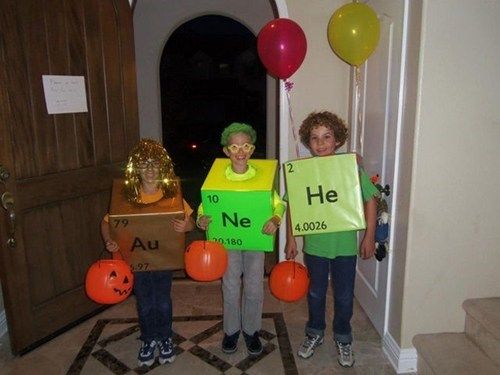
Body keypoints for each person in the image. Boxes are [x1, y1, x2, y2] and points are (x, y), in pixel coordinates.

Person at [284, 111, 378, 368]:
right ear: (308, 142)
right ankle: (314, 332)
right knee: (315, 292)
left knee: (345, 295)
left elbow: (370, 198)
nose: (321, 142)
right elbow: (294, 205)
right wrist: (291, 239)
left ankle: (343, 337)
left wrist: (369, 235)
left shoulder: (349, 167)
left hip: (345, 245)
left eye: (327, 136)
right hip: (315, 245)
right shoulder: (303, 171)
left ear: (337, 140)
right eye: (314, 138)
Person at [101, 138, 195, 367]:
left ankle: (164, 338)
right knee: (144, 302)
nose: (150, 170)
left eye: (154, 164)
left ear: (162, 167)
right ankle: (148, 339)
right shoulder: (126, 197)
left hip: (162, 261)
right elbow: (107, 222)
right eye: (144, 164)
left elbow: (189, 221)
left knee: (162, 301)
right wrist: (109, 240)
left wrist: (187, 226)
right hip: (137, 261)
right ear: (136, 169)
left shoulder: (172, 194)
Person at [197, 122, 286, 356]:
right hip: (228, 242)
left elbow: (278, 203)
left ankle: (251, 330)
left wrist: (275, 219)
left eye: (245, 146)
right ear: (226, 151)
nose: (240, 151)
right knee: (231, 285)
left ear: (252, 149)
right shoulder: (218, 178)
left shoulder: (261, 178)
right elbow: (205, 206)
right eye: (234, 147)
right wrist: (201, 220)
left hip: (255, 240)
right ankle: (231, 331)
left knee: (255, 286)